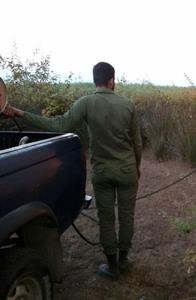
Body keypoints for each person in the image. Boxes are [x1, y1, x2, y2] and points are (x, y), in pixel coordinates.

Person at [3, 62, 142, 280]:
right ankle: (124, 260)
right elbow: (137, 143)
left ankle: (112, 266)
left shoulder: (86, 103)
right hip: (127, 171)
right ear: (112, 80)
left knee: (106, 217)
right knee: (127, 216)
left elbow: (58, 125)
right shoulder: (128, 105)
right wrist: (137, 167)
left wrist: (21, 113)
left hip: (102, 172)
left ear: (95, 80)